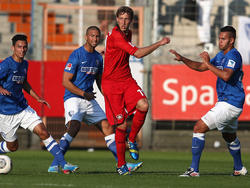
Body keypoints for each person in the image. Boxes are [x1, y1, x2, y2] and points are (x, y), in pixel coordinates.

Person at [47, 26, 143, 173]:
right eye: (92, 36)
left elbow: (99, 81)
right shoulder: (77, 55)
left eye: (97, 36)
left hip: (89, 99)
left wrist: (109, 97)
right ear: (86, 37)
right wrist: (83, 93)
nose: (95, 39)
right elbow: (65, 81)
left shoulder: (98, 58)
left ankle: (122, 163)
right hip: (74, 98)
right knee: (74, 127)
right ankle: (55, 164)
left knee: (107, 127)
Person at [170, 26, 247, 177]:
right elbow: (200, 67)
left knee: (198, 127)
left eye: (223, 39)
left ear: (231, 40)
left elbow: (226, 76)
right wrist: (183, 59)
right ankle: (239, 169)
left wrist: (208, 63)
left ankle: (194, 170)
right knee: (229, 136)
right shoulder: (220, 55)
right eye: (219, 38)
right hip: (228, 102)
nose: (220, 41)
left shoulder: (233, 56)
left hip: (230, 103)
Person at [102, 6, 170, 175]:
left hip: (126, 79)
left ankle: (132, 139)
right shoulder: (116, 35)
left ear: (131, 21)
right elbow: (138, 54)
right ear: (116, 19)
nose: (124, 22)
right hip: (112, 85)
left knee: (144, 105)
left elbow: (120, 52)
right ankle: (121, 165)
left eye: (127, 19)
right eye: (121, 18)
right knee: (121, 124)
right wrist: (160, 43)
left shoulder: (128, 34)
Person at [0, 34, 78, 174]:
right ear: (13, 48)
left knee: (43, 132)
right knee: (13, 147)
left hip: (23, 109)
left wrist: (37, 98)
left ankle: (63, 164)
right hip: (5, 113)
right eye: (19, 47)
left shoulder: (25, 64)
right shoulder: (6, 64)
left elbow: (23, 82)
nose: (22, 50)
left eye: (25, 47)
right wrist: (1, 89)